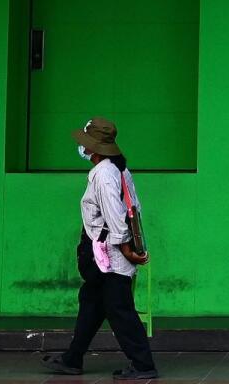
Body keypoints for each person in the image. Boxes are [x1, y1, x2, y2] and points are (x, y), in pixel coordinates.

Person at [41, 118, 159, 380]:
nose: (81, 147)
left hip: (109, 253)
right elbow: (134, 208)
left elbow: (117, 215)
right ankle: (73, 358)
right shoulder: (119, 169)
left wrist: (126, 249)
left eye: (84, 143)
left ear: (92, 147)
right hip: (105, 251)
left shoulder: (104, 173)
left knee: (119, 309)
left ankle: (143, 365)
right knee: (92, 301)